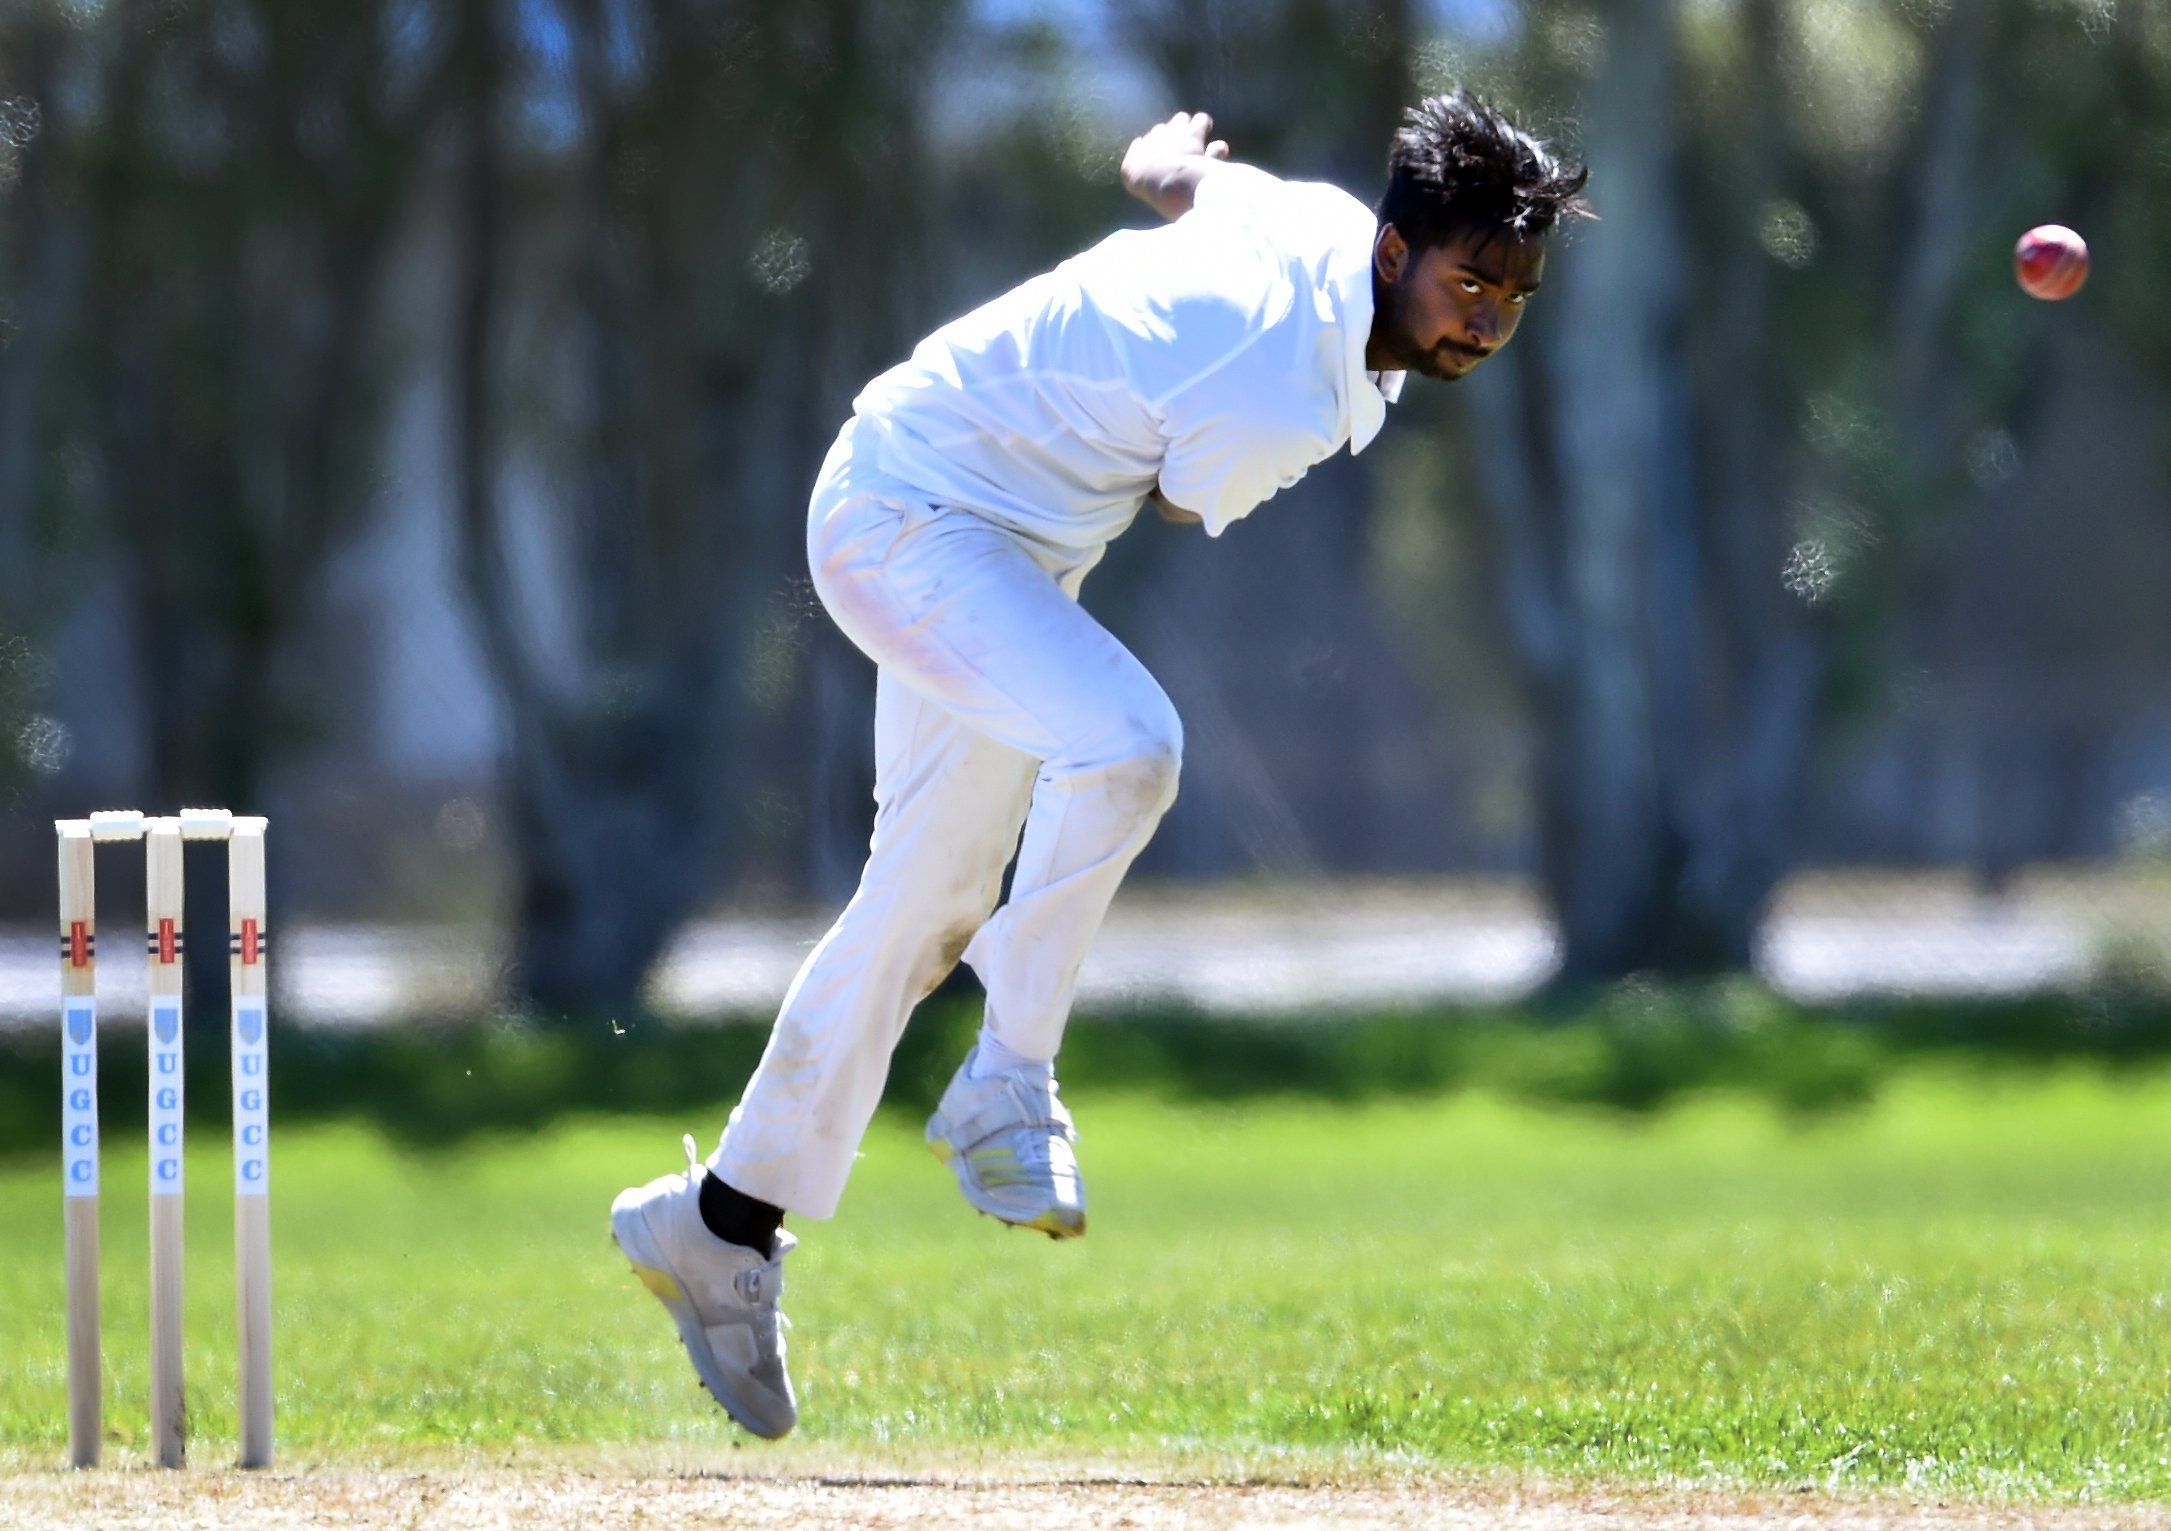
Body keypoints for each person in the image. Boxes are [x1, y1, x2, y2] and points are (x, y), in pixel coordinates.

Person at [609, 91, 1590, 1440]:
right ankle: (1009, 1076)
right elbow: (1185, 495)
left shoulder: (1311, 222)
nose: (1483, 317)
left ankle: (720, 1224)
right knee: (1130, 750)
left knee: (928, 902)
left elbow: (1182, 184)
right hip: (910, 519)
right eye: (1467, 281)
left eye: (1511, 294)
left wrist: (1170, 163)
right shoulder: (1272, 388)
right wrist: (1174, 233)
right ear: (1391, 253)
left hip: (991, 545)